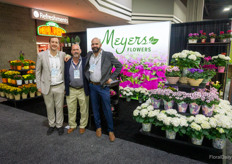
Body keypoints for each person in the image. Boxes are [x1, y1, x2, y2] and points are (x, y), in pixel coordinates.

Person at [84, 37, 122, 142]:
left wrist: (111, 78)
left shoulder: (108, 55)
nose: (94, 46)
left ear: (100, 45)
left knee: (107, 109)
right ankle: (98, 127)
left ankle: (110, 130)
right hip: (92, 86)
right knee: (95, 108)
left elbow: (119, 66)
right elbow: (82, 62)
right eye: (92, 44)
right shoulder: (89, 54)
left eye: (96, 44)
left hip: (103, 87)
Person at [36, 37, 70, 136]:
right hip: (47, 86)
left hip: (59, 86)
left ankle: (59, 125)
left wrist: (69, 55)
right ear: (49, 43)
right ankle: (52, 125)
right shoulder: (41, 55)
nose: (54, 44)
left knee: (59, 107)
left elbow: (70, 56)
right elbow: (37, 72)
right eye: (53, 42)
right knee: (49, 107)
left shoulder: (62, 54)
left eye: (56, 42)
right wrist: (39, 86)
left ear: (59, 44)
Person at [64, 44, 89, 134]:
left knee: (84, 108)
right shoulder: (67, 62)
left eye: (77, 49)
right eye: (74, 50)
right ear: (71, 52)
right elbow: (64, 75)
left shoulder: (86, 61)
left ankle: (82, 125)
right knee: (71, 109)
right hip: (71, 89)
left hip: (83, 89)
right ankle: (72, 125)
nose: (75, 51)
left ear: (80, 51)